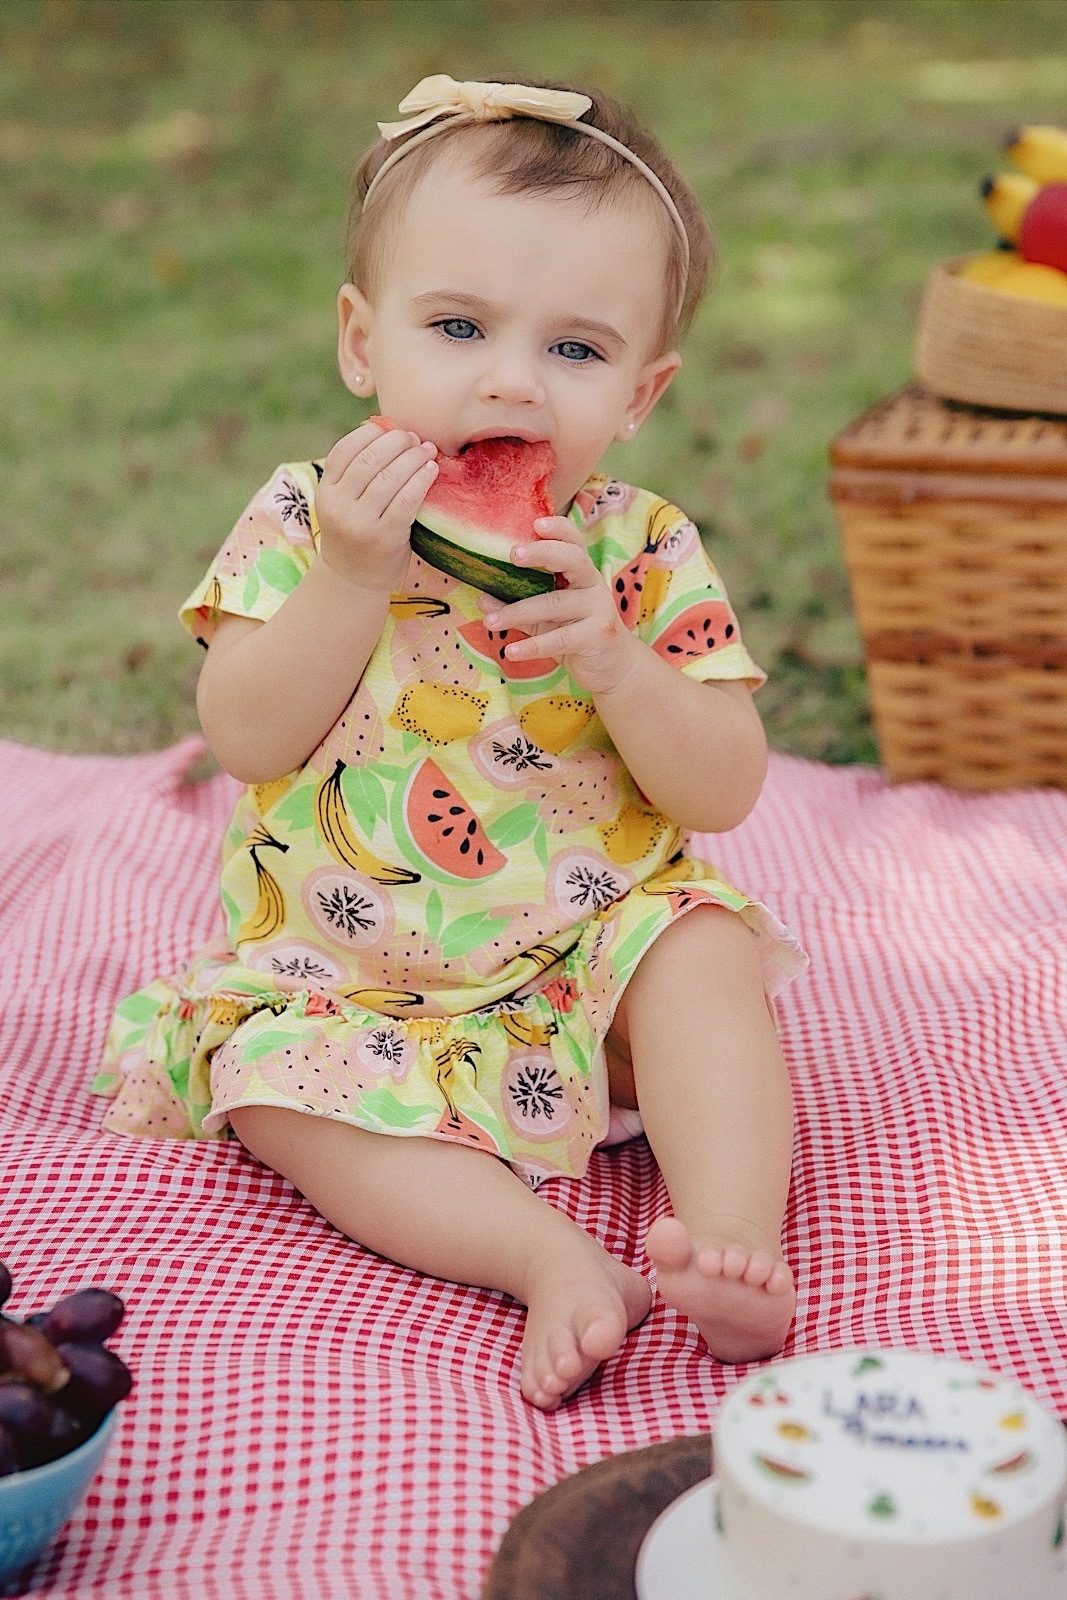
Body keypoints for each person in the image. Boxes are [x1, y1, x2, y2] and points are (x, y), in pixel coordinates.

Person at [96, 74, 808, 1410]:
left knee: (704, 947)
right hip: (344, 977)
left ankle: (732, 1250)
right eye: (462, 325)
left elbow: (725, 786)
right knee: (271, 1092)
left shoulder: (641, 550)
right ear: (363, 343)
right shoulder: (309, 520)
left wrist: (617, 659)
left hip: (588, 958)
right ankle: (544, 1259)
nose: (511, 383)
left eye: (577, 351)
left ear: (645, 392)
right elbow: (244, 736)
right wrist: (351, 584)